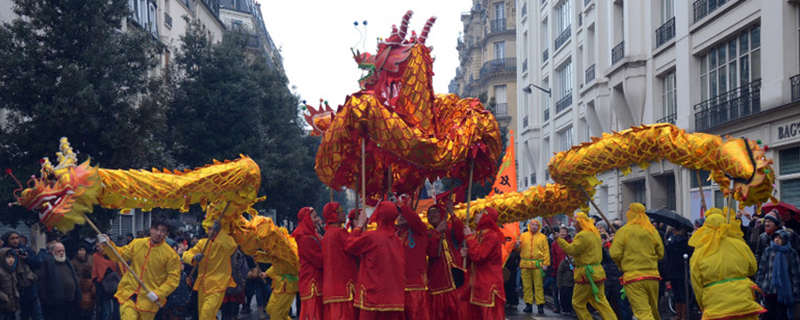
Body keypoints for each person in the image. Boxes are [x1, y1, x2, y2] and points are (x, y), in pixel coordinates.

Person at [97, 218, 182, 320]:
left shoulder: (171, 255)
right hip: (129, 293)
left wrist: (158, 293)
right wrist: (108, 245)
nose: (158, 233)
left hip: (149, 301)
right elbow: (120, 255)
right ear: (150, 229)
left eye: (163, 231)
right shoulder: (137, 243)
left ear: (166, 234)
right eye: (156, 229)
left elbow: (173, 280)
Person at [689, 214, 765, 320]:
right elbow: (753, 269)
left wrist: (703, 305)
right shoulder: (740, 244)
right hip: (743, 302)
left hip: (716, 306)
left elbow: (696, 283)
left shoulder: (699, 253)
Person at [345, 201, 405, 320]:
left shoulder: (372, 237)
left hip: (372, 295)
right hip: (393, 298)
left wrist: (358, 227)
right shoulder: (397, 240)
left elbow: (349, 246)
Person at [554, 212, 617, 320]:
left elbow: (571, 250)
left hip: (586, 274)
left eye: (575, 222)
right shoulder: (594, 233)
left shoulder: (583, 235)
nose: (573, 225)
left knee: (577, 303)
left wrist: (559, 240)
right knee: (601, 301)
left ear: (580, 223)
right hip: (597, 272)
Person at [609, 203, 664, 320]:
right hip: (653, 276)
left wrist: (622, 264)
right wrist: (650, 260)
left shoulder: (623, 231)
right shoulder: (652, 230)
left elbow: (614, 254)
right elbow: (661, 253)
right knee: (653, 311)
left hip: (634, 277)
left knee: (643, 313)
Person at [181, 221, 237, 320]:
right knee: (205, 315)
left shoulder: (224, 243)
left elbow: (232, 247)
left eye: (213, 229)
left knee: (206, 315)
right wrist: (194, 257)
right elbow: (186, 255)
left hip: (218, 284)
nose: (211, 231)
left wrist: (219, 232)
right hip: (202, 284)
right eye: (209, 229)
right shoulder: (202, 243)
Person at [461, 207, 506, 320]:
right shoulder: (480, 235)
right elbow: (472, 260)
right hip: (477, 285)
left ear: (487, 217)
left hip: (487, 286)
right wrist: (465, 256)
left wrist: (469, 237)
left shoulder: (493, 236)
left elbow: (479, 256)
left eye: (480, 213)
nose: (476, 215)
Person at [427, 202, 467, 320]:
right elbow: (432, 251)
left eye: (435, 212)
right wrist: (438, 231)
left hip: (456, 274)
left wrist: (452, 213)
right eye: (429, 213)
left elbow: (461, 235)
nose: (432, 215)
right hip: (438, 278)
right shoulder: (429, 234)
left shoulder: (451, 228)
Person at [321, 203, 358, 319]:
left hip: (332, 287)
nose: (344, 214)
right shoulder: (339, 232)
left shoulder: (327, 234)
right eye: (341, 211)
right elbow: (354, 246)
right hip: (343, 285)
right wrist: (359, 228)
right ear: (334, 215)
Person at [397, 197, 431, 320]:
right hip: (398, 288)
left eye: (404, 213)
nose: (400, 216)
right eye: (398, 213)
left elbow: (415, 220)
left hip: (415, 287)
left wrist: (400, 205)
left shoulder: (419, 230)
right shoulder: (395, 234)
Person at [756, 229, 800, 320]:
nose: (777, 239)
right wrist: (758, 285)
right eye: (775, 237)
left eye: (780, 238)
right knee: (769, 314)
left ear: (785, 239)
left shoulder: (791, 253)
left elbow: (795, 273)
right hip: (768, 288)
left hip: (784, 290)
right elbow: (762, 269)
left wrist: (796, 289)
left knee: (782, 315)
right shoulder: (768, 251)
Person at [2, 230, 43, 320]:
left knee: (37, 314)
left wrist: (26, 258)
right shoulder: (3, 252)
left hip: (29, 288)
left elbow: (38, 264)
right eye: (12, 238)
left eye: (17, 238)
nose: (16, 241)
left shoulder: (25, 249)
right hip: (13, 290)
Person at [294, 207, 324, 320]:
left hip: (316, 280)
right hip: (312, 282)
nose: (317, 219)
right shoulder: (305, 238)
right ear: (307, 219)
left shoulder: (313, 234)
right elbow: (319, 261)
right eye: (314, 216)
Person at [38, 242, 80, 320]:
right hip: (55, 302)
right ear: (52, 251)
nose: (61, 253)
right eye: (59, 251)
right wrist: (45, 299)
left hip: (71, 300)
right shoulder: (47, 263)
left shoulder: (67, 262)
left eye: (63, 251)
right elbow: (41, 282)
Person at [517, 220, 549, 314]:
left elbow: (546, 251)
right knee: (526, 286)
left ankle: (540, 305)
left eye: (536, 225)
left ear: (538, 226)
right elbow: (518, 248)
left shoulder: (542, 237)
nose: (534, 226)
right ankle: (528, 304)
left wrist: (545, 264)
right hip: (525, 264)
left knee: (538, 286)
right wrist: (517, 245)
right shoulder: (523, 236)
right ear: (529, 225)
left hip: (538, 265)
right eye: (532, 225)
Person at [664, 224, 693, 320]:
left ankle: (683, 315)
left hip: (681, 272)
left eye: (676, 230)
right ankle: (678, 314)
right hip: (673, 272)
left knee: (682, 293)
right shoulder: (671, 241)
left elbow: (687, 255)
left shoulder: (684, 242)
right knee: (676, 293)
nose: (674, 232)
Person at [92, 244, 121, 320]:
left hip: (116, 285)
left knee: (117, 311)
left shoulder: (113, 255)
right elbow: (95, 272)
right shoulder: (96, 256)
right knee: (106, 312)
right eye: (97, 246)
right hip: (103, 286)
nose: (98, 248)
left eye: (100, 246)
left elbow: (120, 268)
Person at [0, 248, 21, 320]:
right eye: (8, 257)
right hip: (2, 305)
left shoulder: (12, 271)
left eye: (13, 257)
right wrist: (4, 297)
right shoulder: (1, 272)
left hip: (12, 304)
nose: (11, 260)